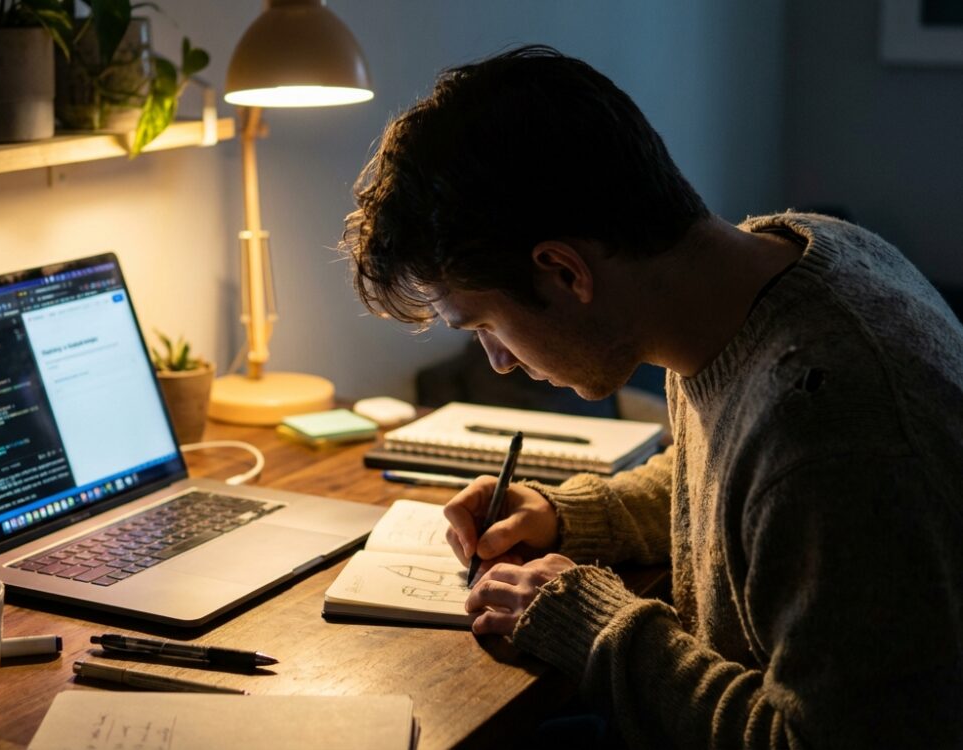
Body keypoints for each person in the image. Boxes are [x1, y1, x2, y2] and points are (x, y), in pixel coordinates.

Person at [340, 45, 963, 749]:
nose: (499, 361)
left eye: (483, 324)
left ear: (565, 272)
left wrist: (595, 624)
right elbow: (732, 480)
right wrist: (564, 514)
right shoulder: (773, 269)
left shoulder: (832, 432)